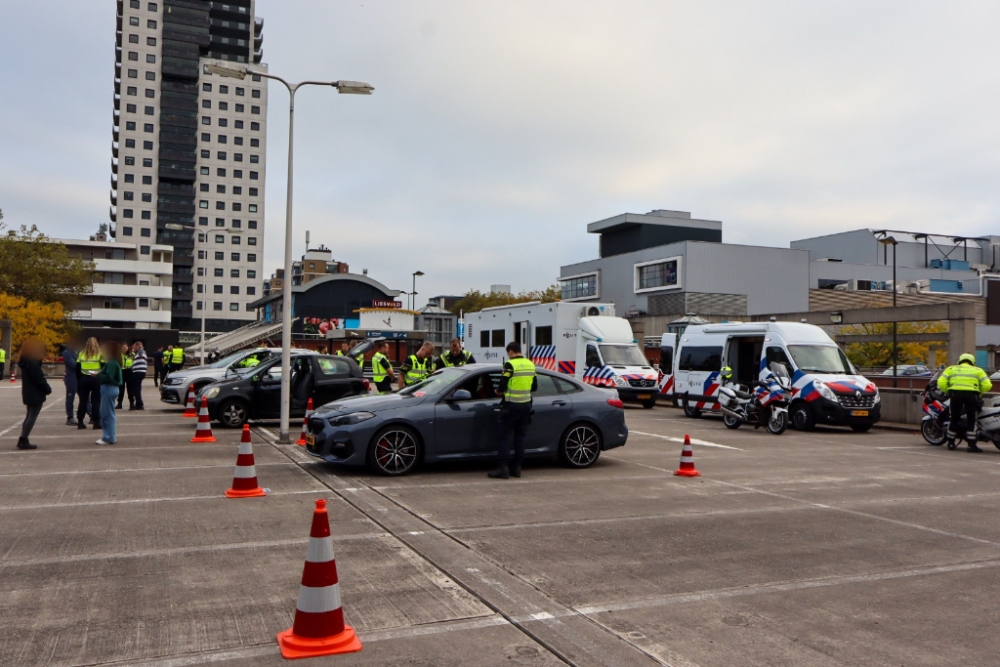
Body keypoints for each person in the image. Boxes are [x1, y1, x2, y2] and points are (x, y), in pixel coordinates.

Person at [489, 342, 538, 479]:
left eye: (508, 354)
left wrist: (498, 391)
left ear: (510, 352)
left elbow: (502, 385)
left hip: (511, 406)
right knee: (520, 438)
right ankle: (517, 469)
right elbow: (534, 387)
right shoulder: (530, 364)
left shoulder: (510, 365)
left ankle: (503, 469)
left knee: (504, 437)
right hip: (526, 405)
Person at [937, 353, 992, 452]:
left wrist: (948, 391)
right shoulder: (978, 370)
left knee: (954, 418)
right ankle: (971, 445)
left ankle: (951, 443)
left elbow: (941, 382)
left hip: (955, 394)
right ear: (972, 362)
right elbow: (987, 385)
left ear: (960, 360)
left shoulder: (951, 369)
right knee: (972, 419)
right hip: (971, 395)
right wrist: (978, 393)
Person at [15, 337, 52, 450]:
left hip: (28, 391)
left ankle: (23, 438)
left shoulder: (25, 362)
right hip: (35, 392)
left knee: (29, 415)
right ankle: (23, 438)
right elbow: (39, 378)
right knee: (32, 416)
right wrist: (47, 389)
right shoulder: (32, 364)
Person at [97, 340, 124, 445]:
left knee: (107, 414)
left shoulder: (112, 362)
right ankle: (110, 436)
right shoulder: (113, 361)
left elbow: (109, 377)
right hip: (110, 388)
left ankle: (108, 437)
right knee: (108, 413)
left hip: (109, 388)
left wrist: (98, 375)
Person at [76, 337, 104, 431]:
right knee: (96, 401)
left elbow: (77, 368)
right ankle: (96, 422)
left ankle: (80, 422)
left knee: (83, 401)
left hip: (84, 378)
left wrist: (79, 379)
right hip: (95, 378)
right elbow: (104, 367)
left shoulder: (82, 353)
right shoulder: (100, 353)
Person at [61, 338, 80, 426]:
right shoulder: (67, 352)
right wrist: (82, 364)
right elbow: (73, 364)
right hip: (71, 378)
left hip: (78, 377)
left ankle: (92, 414)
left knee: (85, 398)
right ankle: (70, 417)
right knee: (70, 398)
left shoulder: (76, 352)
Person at [129, 341, 147, 410]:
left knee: (136, 389)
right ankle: (139, 403)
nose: (134, 348)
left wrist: (139, 346)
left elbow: (140, 350)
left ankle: (139, 404)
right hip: (137, 372)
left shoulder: (141, 352)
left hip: (139, 372)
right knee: (136, 388)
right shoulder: (138, 354)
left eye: (134, 347)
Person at [117, 343, 132, 410]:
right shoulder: (119, 355)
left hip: (129, 372)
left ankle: (132, 403)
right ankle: (119, 403)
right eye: (123, 347)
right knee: (121, 389)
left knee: (130, 389)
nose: (124, 348)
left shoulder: (132, 355)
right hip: (121, 372)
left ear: (128, 348)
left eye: (126, 347)